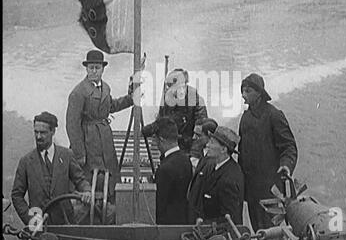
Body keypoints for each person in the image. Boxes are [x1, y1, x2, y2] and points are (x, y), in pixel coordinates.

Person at [66, 49, 133, 203]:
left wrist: (130, 99)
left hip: (105, 139)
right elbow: (72, 125)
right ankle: (92, 213)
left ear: (103, 69)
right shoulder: (78, 92)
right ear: (86, 69)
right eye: (91, 68)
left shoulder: (106, 88)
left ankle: (112, 206)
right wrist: (79, 153)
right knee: (90, 179)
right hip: (88, 141)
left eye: (97, 67)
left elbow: (111, 106)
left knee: (110, 174)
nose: (94, 71)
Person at [238, 73, 298, 232]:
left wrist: (286, 166)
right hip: (251, 189)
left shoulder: (274, 115)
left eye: (248, 91)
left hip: (271, 190)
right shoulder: (245, 118)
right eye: (242, 91)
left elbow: (289, 147)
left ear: (259, 93)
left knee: (272, 232)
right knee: (258, 230)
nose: (243, 95)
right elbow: (242, 152)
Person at [11, 112, 91, 226]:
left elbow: (80, 180)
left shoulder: (66, 155)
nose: (38, 137)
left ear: (53, 131)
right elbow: (17, 195)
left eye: (43, 133)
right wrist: (31, 220)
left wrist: (87, 191)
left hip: (66, 226)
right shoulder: (26, 161)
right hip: (39, 229)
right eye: (36, 132)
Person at [143, 68, 207, 152]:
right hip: (171, 147)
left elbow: (200, 133)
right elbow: (161, 121)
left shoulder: (196, 101)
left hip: (189, 148)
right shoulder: (168, 100)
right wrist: (149, 129)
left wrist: (194, 155)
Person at [153, 117, 192, 225]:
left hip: (166, 226)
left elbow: (159, 204)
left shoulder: (165, 169)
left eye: (155, 139)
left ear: (161, 139)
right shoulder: (186, 160)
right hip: (183, 221)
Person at [201, 126, 244, 225]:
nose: (207, 145)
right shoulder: (217, 167)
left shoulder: (229, 179)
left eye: (212, 142)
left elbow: (230, 220)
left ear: (223, 149)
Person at [187, 118, 218, 224]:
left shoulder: (214, 162)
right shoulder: (202, 154)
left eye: (198, 135)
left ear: (210, 137)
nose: (194, 138)